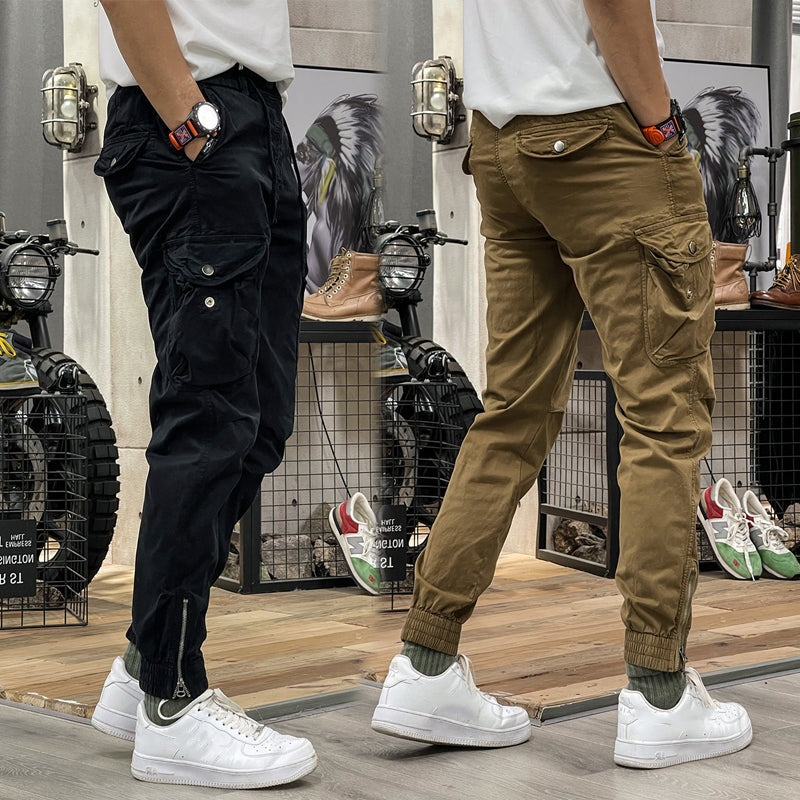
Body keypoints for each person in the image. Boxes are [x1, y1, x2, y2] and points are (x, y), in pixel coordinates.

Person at [371, 0, 753, 769]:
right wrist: (660, 126)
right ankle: (659, 694)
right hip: (601, 135)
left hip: (502, 140)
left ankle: (426, 663)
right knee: (663, 415)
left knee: (512, 412)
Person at [88, 0, 316, 789]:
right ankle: (172, 701)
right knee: (210, 419)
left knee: (260, 424)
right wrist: (188, 117)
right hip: (192, 118)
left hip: (254, 119)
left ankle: (141, 665)